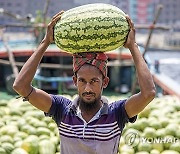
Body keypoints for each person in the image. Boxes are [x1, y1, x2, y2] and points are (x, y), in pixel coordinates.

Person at [13, 11, 156, 154]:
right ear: (75, 81)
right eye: (82, 81)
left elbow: (148, 94)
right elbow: (20, 86)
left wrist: (133, 46)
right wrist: (45, 42)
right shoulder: (62, 110)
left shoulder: (117, 113)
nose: (88, 88)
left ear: (105, 82)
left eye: (94, 81)